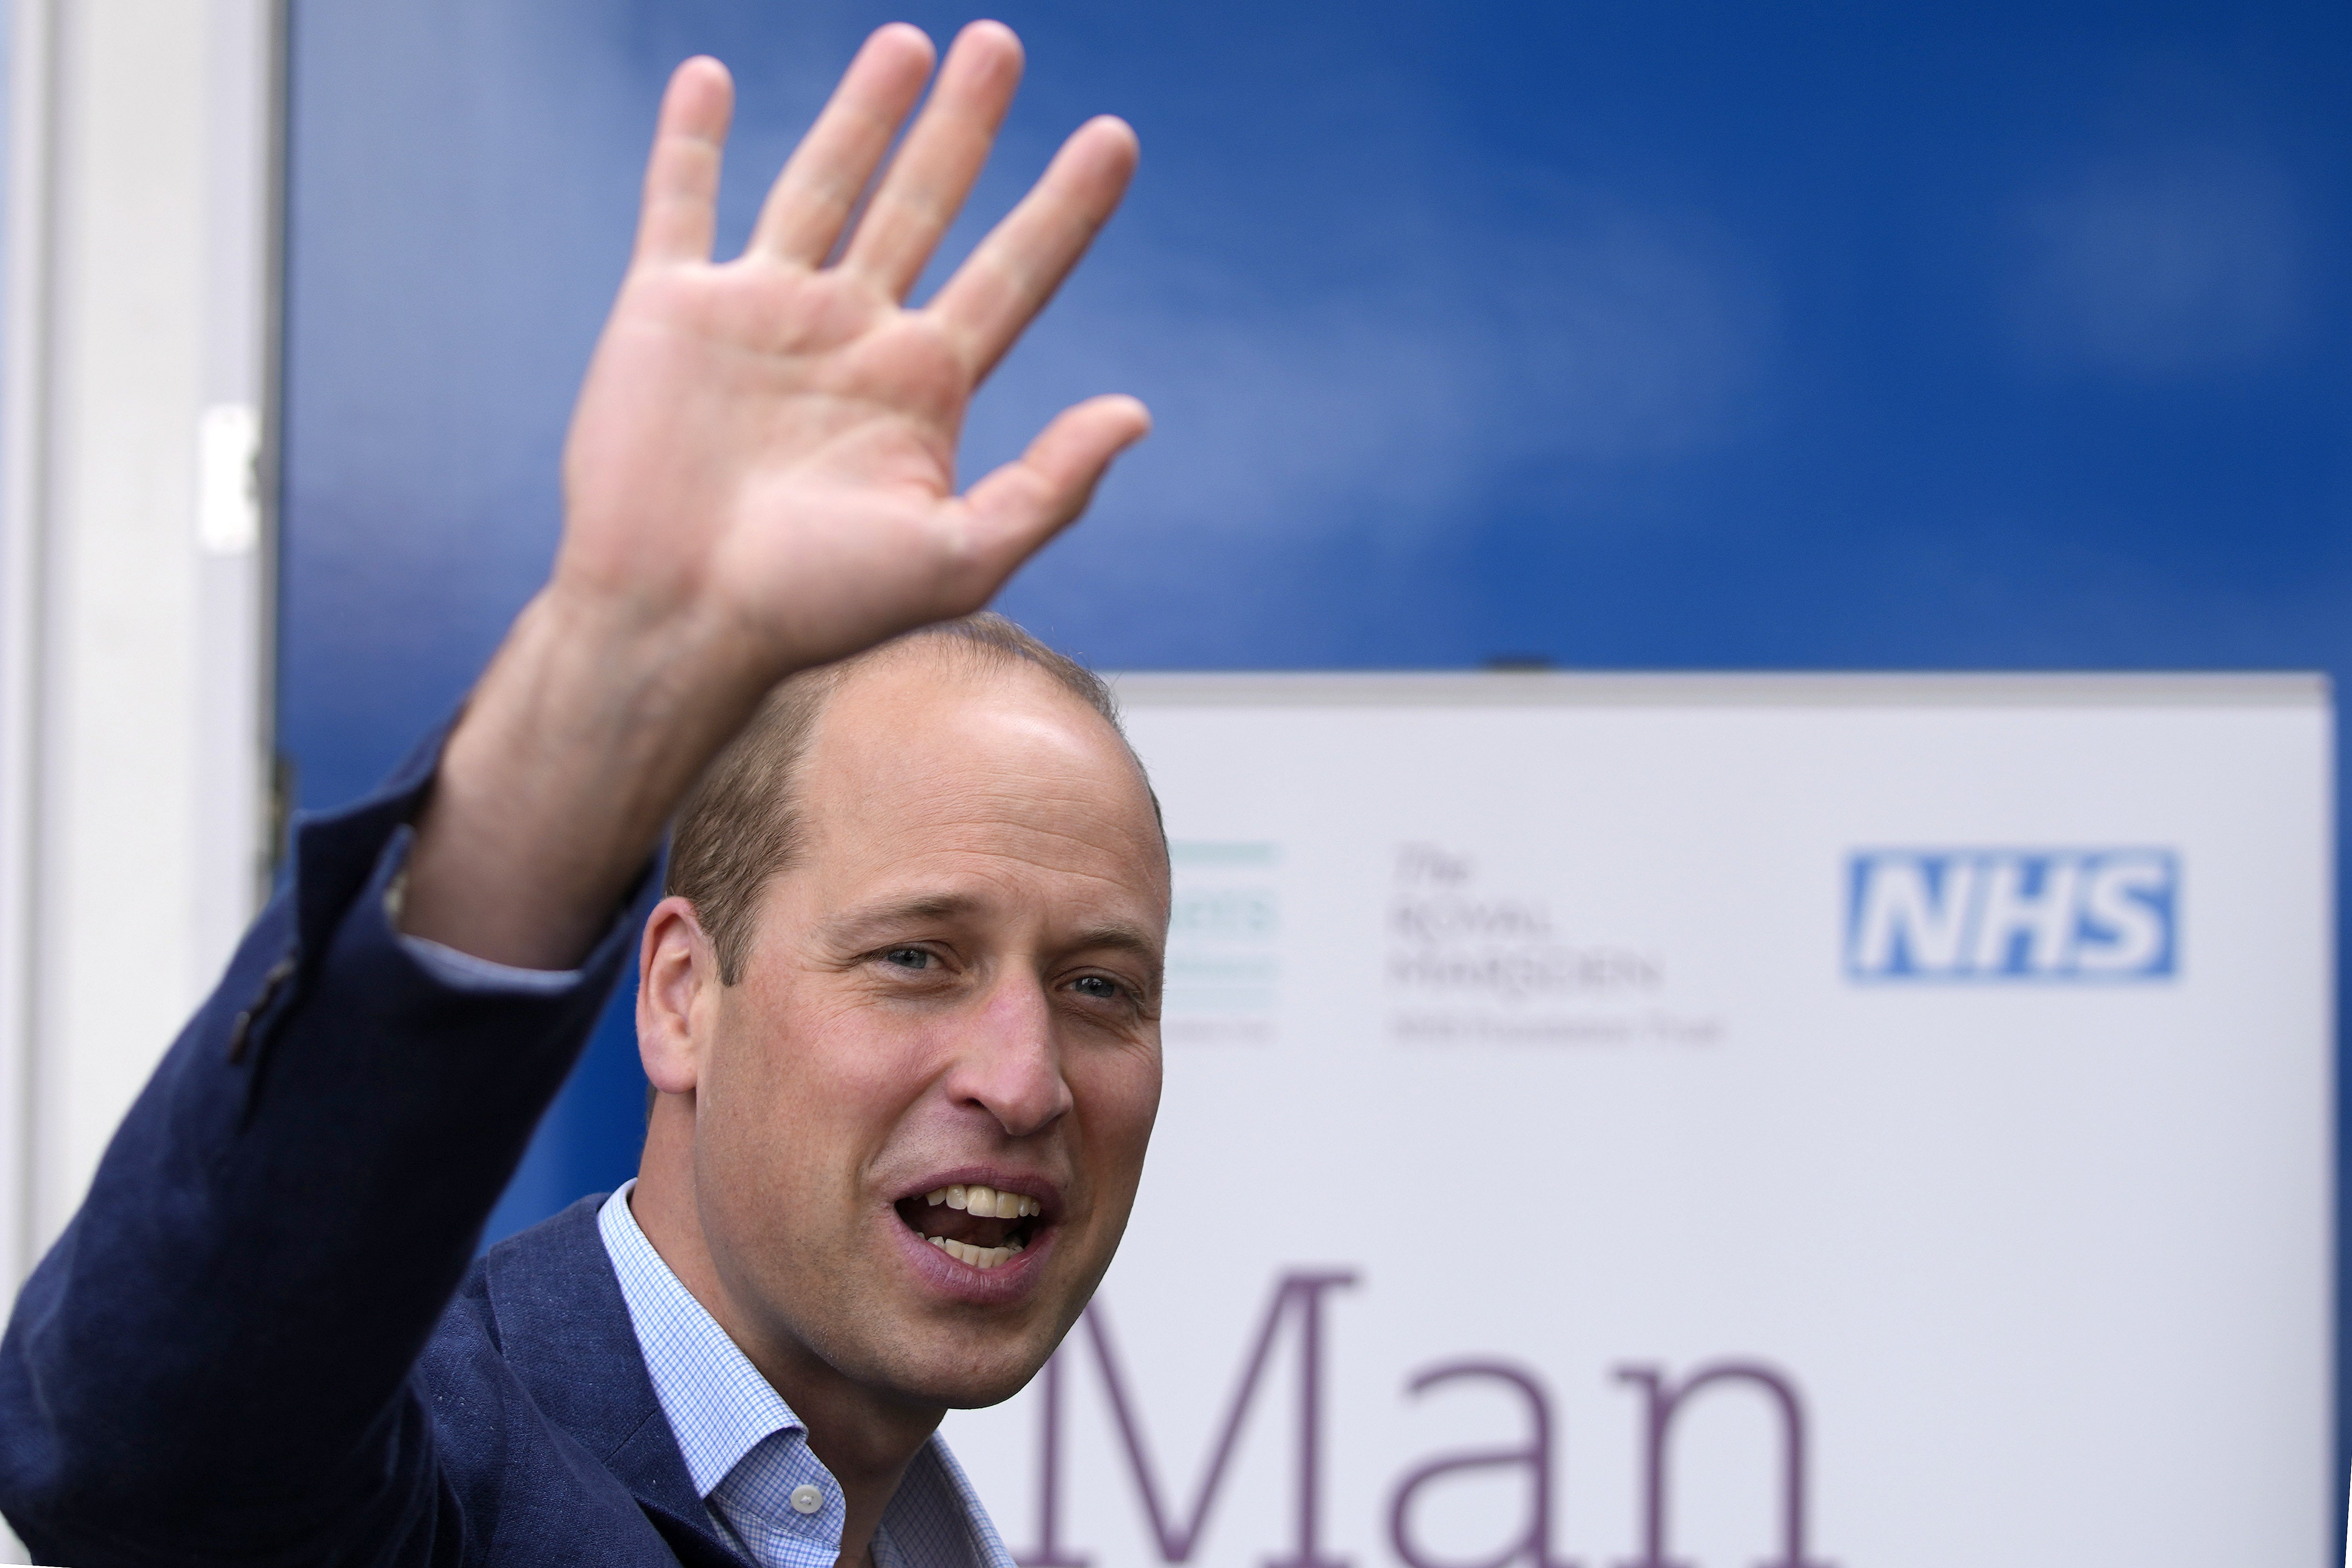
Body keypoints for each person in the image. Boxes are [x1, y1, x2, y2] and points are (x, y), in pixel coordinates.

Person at [0, 20, 1163, 1568]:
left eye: (1098, 984)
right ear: (680, 995)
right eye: (916, 956)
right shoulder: (436, 1483)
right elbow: (145, 1448)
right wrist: (617, 665)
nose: (1025, 1080)